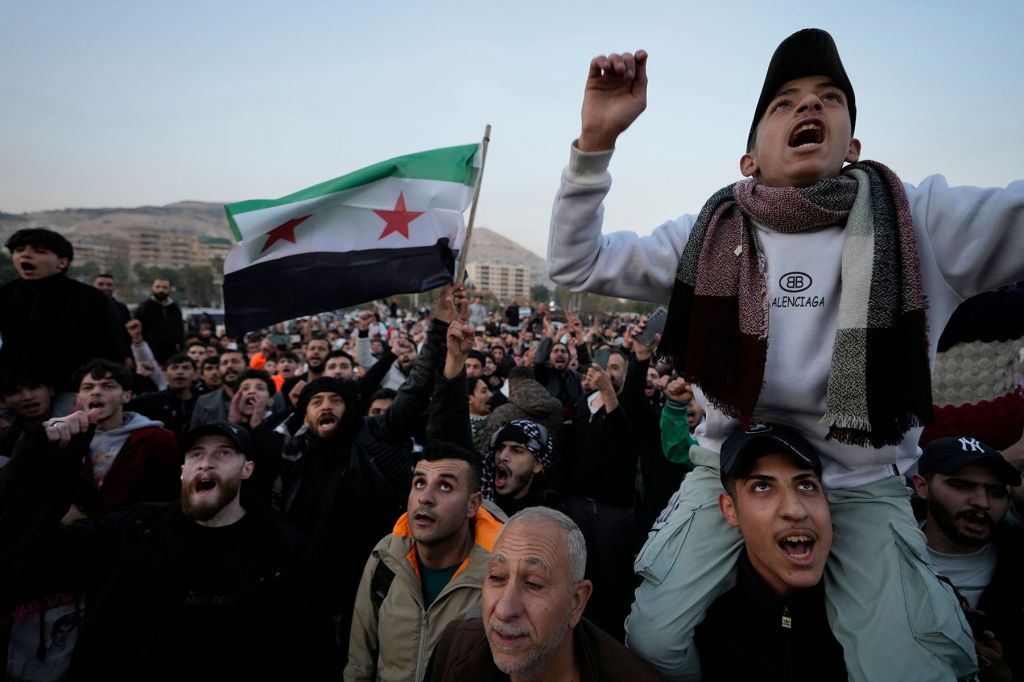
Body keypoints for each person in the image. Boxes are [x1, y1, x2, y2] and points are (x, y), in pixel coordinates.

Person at [547, 28, 1024, 679]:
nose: (809, 107)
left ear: (852, 145)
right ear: (749, 159)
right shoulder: (706, 234)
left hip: (859, 484)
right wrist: (595, 142)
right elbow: (576, 262)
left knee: (912, 668)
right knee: (654, 641)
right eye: (784, 102)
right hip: (728, 470)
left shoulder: (917, 219)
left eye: (829, 98)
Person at [0, 415, 337, 680]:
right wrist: (43, 466)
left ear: (246, 469)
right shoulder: (132, 529)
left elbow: (309, 654)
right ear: (183, 471)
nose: (207, 463)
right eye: (196, 454)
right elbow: (27, 554)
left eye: (223, 453)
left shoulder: (286, 552)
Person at [426, 507, 660, 682]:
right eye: (497, 577)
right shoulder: (455, 648)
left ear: (577, 602)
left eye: (533, 583)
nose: (505, 610)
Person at [694, 423, 846, 681]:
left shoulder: (871, 615)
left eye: (806, 485)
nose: (795, 510)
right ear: (730, 509)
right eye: (762, 486)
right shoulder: (705, 625)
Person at [345, 442, 504, 682]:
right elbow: (359, 665)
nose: (425, 498)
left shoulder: (500, 576)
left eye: (445, 486)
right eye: (419, 483)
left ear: (473, 505)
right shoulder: (386, 559)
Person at [912, 436, 1024, 681]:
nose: (982, 503)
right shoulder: (881, 552)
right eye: (961, 486)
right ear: (922, 486)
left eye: (995, 492)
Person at [0, 228, 127, 409]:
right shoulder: (5, 295)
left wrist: (90, 395)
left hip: (70, 391)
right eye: (19, 250)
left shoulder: (90, 299)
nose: (26, 255)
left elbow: (112, 352)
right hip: (13, 391)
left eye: (39, 251)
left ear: (62, 262)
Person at [72, 359, 179, 517]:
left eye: (108, 386)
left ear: (127, 396)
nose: (96, 392)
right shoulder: (67, 440)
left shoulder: (157, 439)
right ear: (78, 398)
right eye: (88, 387)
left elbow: (173, 495)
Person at [481, 419, 561, 518]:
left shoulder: (550, 516)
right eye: (500, 448)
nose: (502, 456)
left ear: (537, 465)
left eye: (516, 450)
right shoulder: (479, 500)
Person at [133, 277, 185, 365]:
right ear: (152, 288)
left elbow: (180, 329)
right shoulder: (144, 308)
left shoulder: (174, 308)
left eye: (164, 287)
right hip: (149, 352)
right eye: (158, 287)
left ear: (169, 289)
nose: (161, 290)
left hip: (171, 353)